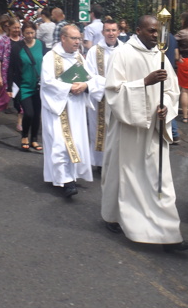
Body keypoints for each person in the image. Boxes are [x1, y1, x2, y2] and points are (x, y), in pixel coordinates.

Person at [101, 15, 188, 252]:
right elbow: (113, 92)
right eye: (152, 31)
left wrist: (166, 108)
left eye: (158, 31)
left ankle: (168, 234)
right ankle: (115, 216)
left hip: (154, 128)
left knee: (159, 180)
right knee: (126, 176)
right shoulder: (122, 54)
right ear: (138, 30)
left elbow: (171, 91)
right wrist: (144, 82)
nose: (156, 35)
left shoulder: (160, 56)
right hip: (129, 131)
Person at [41, 24, 105, 197]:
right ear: (63, 38)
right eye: (74, 38)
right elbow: (47, 83)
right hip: (57, 108)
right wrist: (69, 88)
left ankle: (71, 176)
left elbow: (91, 78)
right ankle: (66, 181)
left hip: (75, 109)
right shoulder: (50, 57)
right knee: (59, 144)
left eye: (79, 38)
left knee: (75, 143)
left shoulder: (79, 58)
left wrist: (85, 86)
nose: (78, 42)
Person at [85, 19, 124, 168]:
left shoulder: (125, 50)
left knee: (118, 130)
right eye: (108, 30)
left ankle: (116, 162)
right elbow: (89, 74)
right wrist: (107, 85)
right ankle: (100, 163)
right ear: (102, 33)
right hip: (100, 97)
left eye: (114, 30)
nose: (111, 33)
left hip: (120, 97)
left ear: (118, 32)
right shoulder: (94, 51)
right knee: (99, 129)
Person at [7, 21, 48, 151]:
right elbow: (11, 68)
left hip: (39, 85)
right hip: (24, 86)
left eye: (32, 33)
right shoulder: (17, 47)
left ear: (35, 32)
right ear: (22, 33)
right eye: (26, 33)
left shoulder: (41, 45)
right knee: (28, 113)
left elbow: (48, 62)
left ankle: (34, 139)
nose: (29, 35)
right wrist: (9, 87)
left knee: (37, 114)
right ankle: (24, 136)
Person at [0, 18, 23, 128]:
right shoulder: (3, 41)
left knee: (22, 100)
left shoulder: (23, 40)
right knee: (4, 100)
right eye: (14, 28)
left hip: (20, 74)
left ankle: (20, 122)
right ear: (9, 28)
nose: (17, 30)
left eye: (18, 28)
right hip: (6, 74)